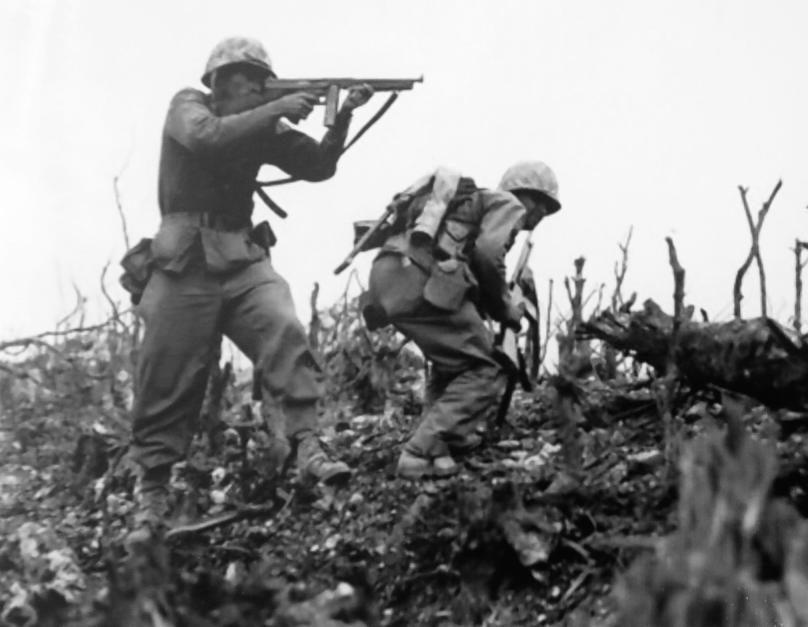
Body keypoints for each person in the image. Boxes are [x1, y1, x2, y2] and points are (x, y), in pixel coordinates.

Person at [125, 36, 373, 541]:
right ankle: (151, 494)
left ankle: (306, 445)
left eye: (261, 77)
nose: (256, 85)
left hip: (240, 257)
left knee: (282, 326)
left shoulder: (262, 125)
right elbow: (207, 138)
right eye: (246, 77)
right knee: (166, 369)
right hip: (183, 261)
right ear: (218, 80)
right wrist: (278, 106)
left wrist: (342, 114)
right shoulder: (189, 106)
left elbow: (318, 166)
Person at [362, 162, 561, 478]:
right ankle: (420, 450)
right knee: (485, 367)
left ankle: (440, 447)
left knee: (454, 363)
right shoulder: (508, 204)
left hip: (388, 276)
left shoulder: (467, 211)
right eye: (543, 206)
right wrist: (505, 307)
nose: (539, 217)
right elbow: (487, 254)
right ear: (529, 196)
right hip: (418, 279)